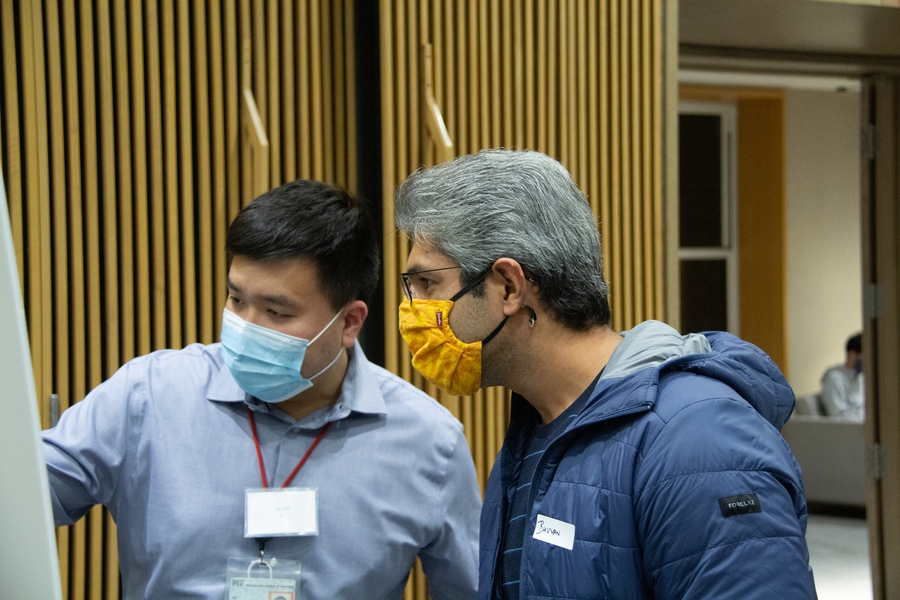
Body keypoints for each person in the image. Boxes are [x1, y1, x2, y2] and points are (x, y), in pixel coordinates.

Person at [393, 149, 817, 599]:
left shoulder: (701, 442)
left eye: (427, 284)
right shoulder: (537, 429)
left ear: (509, 287)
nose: (414, 309)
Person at [43, 180, 481, 599]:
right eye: (236, 300)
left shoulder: (429, 444)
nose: (245, 326)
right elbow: (27, 495)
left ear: (349, 323)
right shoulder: (148, 396)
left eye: (276, 312)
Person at [820, 332, 864, 421]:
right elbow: (839, 417)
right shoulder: (835, 379)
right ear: (852, 354)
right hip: (851, 431)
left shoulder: (858, 377)